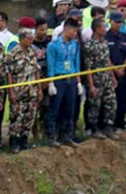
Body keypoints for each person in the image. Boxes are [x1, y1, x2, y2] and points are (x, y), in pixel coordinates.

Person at [46, 18, 82, 146]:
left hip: (71, 79)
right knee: (55, 108)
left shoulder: (74, 45)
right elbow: (51, 64)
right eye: (73, 30)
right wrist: (51, 82)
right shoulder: (53, 45)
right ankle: (51, 136)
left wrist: (78, 82)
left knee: (70, 109)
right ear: (66, 29)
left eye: (76, 31)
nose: (75, 33)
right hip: (59, 78)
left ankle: (66, 135)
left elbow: (76, 63)